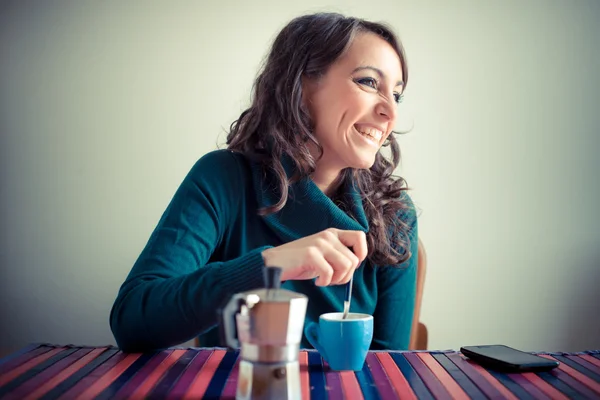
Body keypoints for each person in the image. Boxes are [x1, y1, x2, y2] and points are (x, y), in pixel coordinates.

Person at [110, 12, 418, 353]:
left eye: (397, 95)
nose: (391, 112)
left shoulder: (397, 215)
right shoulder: (222, 178)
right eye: (369, 82)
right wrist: (270, 264)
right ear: (301, 87)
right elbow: (131, 320)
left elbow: (391, 369)